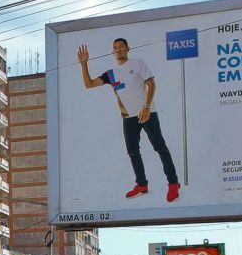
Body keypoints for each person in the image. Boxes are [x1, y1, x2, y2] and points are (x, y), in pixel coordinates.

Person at [77, 40, 181, 203]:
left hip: (147, 113)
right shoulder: (110, 74)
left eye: (121, 46)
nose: (118, 49)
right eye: (115, 47)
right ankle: (142, 184)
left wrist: (146, 107)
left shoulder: (138, 63)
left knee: (160, 147)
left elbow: (151, 84)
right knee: (132, 151)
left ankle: (173, 183)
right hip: (128, 117)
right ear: (113, 52)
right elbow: (89, 84)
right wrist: (84, 64)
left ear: (127, 49)